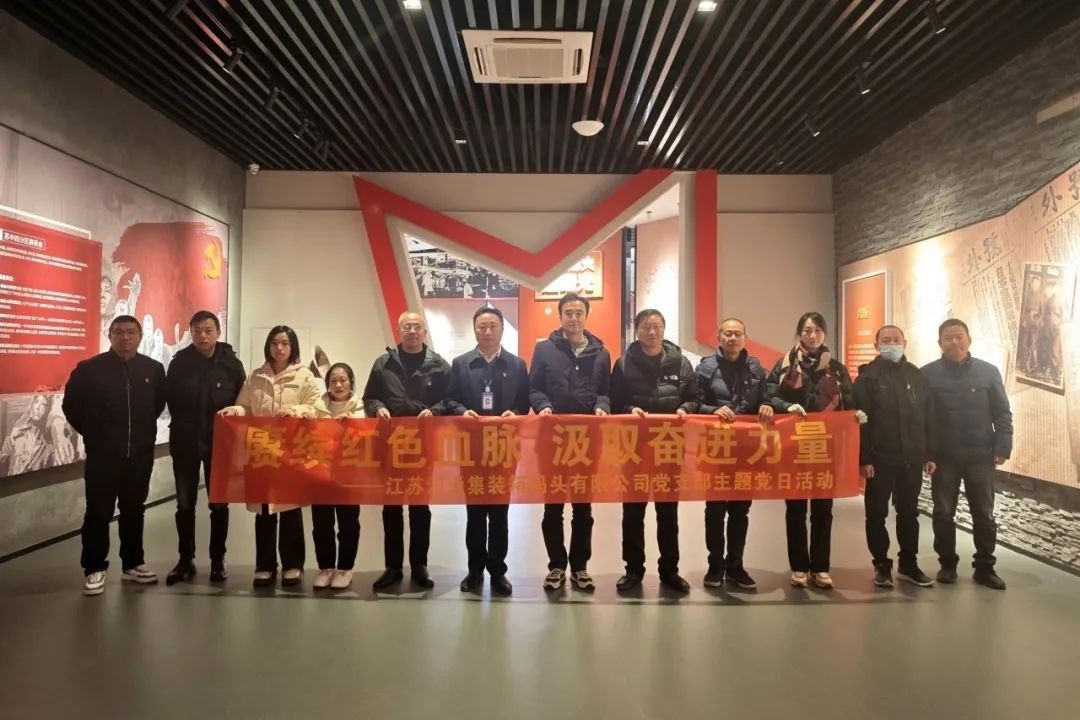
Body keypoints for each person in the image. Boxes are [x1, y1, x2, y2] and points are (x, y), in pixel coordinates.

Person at [62, 315, 166, 596]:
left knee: (134, 509)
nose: (125, 337)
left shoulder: (153, 369)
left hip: (140, 454)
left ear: (140, 336)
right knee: (98, 511)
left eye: (131, 332)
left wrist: (142, 435)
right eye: (118, 332)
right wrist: (93, 434)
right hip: (103, 455)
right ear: (109, 335)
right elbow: (71, 406)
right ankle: (94, 568)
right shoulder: (89, 369)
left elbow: (157, 405)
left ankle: (132, 563)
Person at [433, 306, 529, 597]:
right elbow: (450, 399)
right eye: (482, 327)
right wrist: (463, 411)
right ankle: (474, 571)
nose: (487, 332)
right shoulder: (461, 364)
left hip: (504, 447)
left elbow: (524, 402)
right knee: (474, 513)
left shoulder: (516, 364)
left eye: (493, 326)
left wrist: (515, 413)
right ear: (474, 330)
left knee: (500, 513)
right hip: (471, 447)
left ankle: (498, 572)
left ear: (502, 329)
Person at [219, 326, 321, 587]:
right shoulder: (255, 376)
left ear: (292, 347)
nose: (279, 348)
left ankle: (293, 565)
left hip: (291, 451)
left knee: (290, 509)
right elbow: (245, 405)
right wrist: (235, 411)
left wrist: (295, 411)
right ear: (268, 346)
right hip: (262, 450)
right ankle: (265, 565)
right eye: (275, 343)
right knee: (264, 510)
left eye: (285, 343)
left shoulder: (304, 376)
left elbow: (316, 407)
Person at [766, 312, 859, 590]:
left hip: (825, 448)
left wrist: (855, 416)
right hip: (793, 447)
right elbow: (769, 395)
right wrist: (786, 406)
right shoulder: (784, 365)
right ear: (800, 334)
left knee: (823, 510)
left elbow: (849, 401)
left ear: (825, 334)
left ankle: (820, 567)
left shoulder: (837, 369)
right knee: (795, 509)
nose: (812, 335)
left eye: (817, 330)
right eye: (807, 330)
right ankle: (799, 567)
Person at [363, 311, 451, 591]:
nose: (412, 331)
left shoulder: (439, 365)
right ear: (398, 331)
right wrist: (378, 408)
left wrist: (435, 410)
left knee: (420, 506)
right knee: (391, 507)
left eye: (417, 326)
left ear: (424, 331)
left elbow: (451, 398)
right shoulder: (384, 363)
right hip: (390, 445)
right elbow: (369, 397)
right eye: (407, 327)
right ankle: (392, 566)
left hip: (422, 446)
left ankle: (419, 565)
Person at [529, 292, 611, 592]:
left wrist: (602, 406)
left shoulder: (601, 352)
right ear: (560, 316)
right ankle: (556, 566)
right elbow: (534, 387)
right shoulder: (544, 349)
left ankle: (579, 567)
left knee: (582, 508)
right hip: (551, 440)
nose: (573, 318)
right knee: (553, 507)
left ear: (586, 316)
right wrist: (543, 406)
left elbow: (605, 391)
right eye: (568, 313)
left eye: (578, 313)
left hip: (587, 441)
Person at [921, 318, 1012, 590]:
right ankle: (947, 564)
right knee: (942, 512)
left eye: (959, 337)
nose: (954, 342)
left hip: (980, 456)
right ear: (939, 343)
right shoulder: (927, 374)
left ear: (969, 340)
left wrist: (1003, 447)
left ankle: (984, 567)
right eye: (948, 338)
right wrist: (927, 454)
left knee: (984, 514)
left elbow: (1002, 413)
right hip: (944, 458)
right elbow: (922, 419)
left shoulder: (988, 372)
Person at [610, 309, 697, 594]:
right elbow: (614, 402)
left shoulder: (681, 363)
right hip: (633, 447)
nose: (651, 332)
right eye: (646, 327)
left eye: (656, 327)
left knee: (668, 512)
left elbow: (694, 397)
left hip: (668, 446)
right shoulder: (623, 364)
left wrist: (686, 408)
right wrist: (629, 409)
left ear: (663, 330)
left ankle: (669, 570)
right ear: (636, 331)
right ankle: (633, 569)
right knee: (633, 511)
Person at [163, 310, 246, 585]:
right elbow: (170, 400)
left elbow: (241, 403)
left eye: (208, 330)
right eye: (197, 330)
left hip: (220, 445)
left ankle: (217, 560)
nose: (202, 336)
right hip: (185, 443)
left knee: (219, 504)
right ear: (191, 332)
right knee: (185, 504)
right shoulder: (179, 364)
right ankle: (185, 559)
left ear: (218, 332)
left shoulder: (232, 365)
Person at [853, 325, 937, 589]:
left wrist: (929, 454)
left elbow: (928, 417)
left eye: (896, 340)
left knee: (909, 512)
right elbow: (860, 423)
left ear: (905, 343)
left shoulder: (916, 376)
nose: (892, 344)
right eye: (886, 340)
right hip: (880, 459)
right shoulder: (867, 378)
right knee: (876, 512)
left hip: (912, 458)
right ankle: (881, 564)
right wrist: (864, 459)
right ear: (876, 346)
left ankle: (908, 564)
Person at [694, 318, 773, 590]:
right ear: (719, 337)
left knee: (741, 511)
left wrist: (766, 406)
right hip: (715, 449)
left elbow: (766, 398)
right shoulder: (705, 367)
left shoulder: (755, 367)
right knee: (715, 510)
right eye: (728, 333)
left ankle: (736, 565)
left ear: (744, 338)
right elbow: (693, 402)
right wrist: (712, 410)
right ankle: (715, 565)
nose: (732, 338)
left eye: (738, 334)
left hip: (746, 451)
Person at [311, 363, 365, 591]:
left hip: (349, 474)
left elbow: (367, 435)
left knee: (348, 522)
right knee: (321, 523)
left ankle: (344, 568)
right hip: (320, 472)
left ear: (351, 382)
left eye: (343, 380)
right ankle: (325, 568)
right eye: (333, 381)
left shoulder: (361, 406)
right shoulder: (317, 406)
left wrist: (352, 422)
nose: (338, 385)